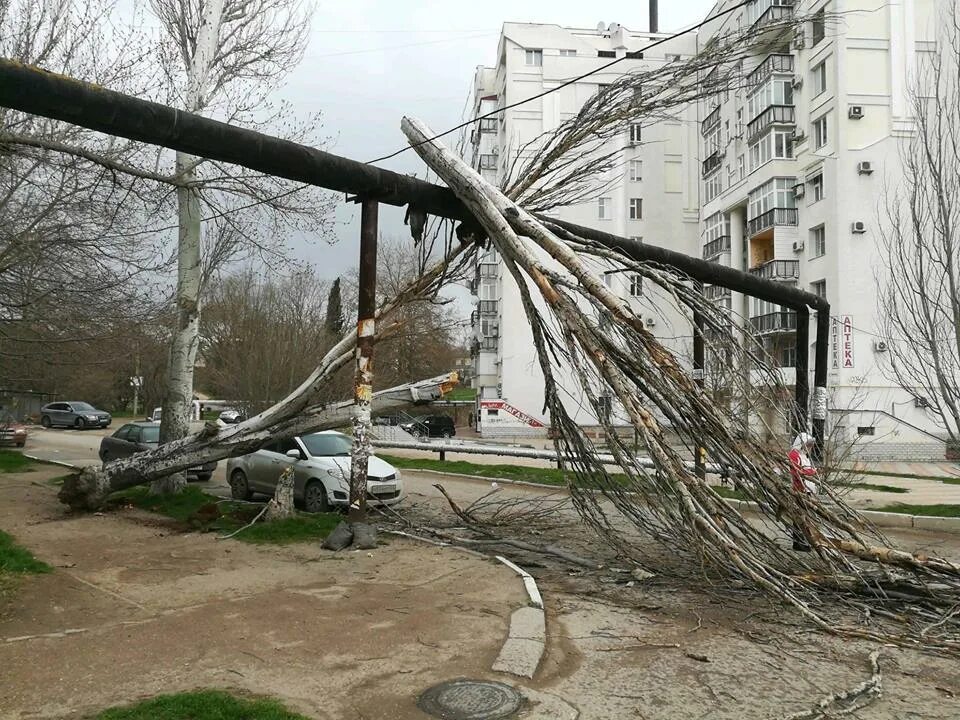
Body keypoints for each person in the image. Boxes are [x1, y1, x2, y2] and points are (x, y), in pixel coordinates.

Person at [787, 432, 818, 551]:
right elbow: (797, 472)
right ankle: (799, 543)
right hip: (800, 490)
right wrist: (812, 472)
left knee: (805, 518)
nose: (809, 448)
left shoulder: (803, 455)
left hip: (806, 490)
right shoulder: (794, 455)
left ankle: (804, 541)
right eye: (808, 445)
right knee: (800, 518)